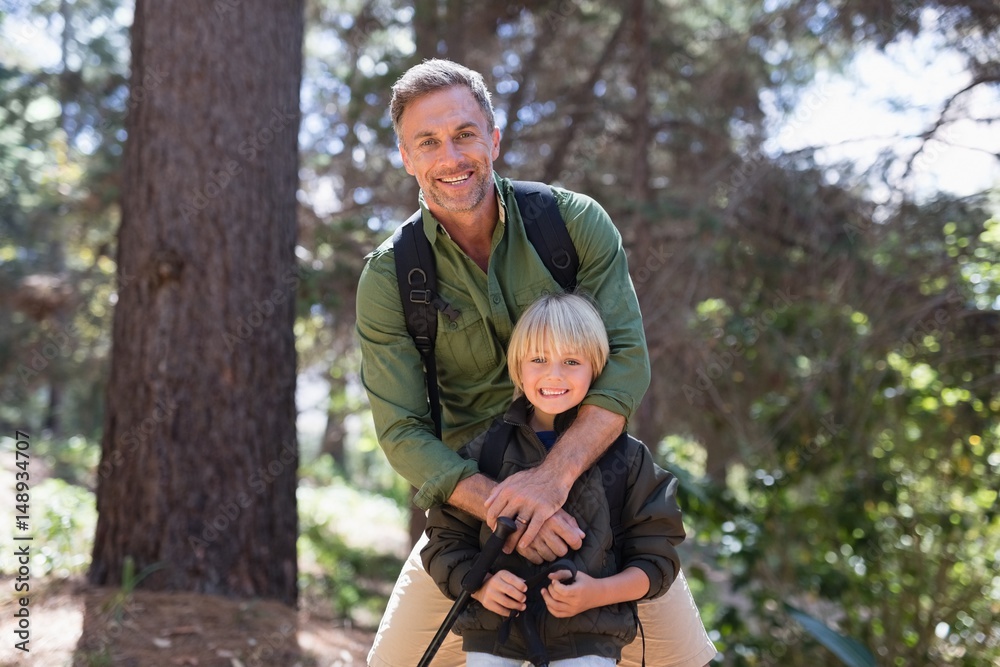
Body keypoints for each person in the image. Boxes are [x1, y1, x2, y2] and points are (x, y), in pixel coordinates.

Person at [356, 58, 717, 667]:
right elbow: (402, 433)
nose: (452, 155)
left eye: (466, 133)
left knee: (686, 663)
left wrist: (553, 481)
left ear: (493, 139)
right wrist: (509, 506)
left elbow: (626, 363)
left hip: (600, 501)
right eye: (429, 141)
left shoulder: (572, 226)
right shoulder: (390, 277)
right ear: (406, 157)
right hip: (471, 520)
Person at [421, 292, 687, 666]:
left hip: (587, 641)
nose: (554, 374)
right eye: (539, 359)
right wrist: (481, 586)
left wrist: (597, 594)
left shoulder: (626, 457)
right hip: (493, 636)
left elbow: (657, 557)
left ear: (597, 368)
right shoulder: (484, 452)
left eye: (572, 361)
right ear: (518, 366)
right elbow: (444, 542)